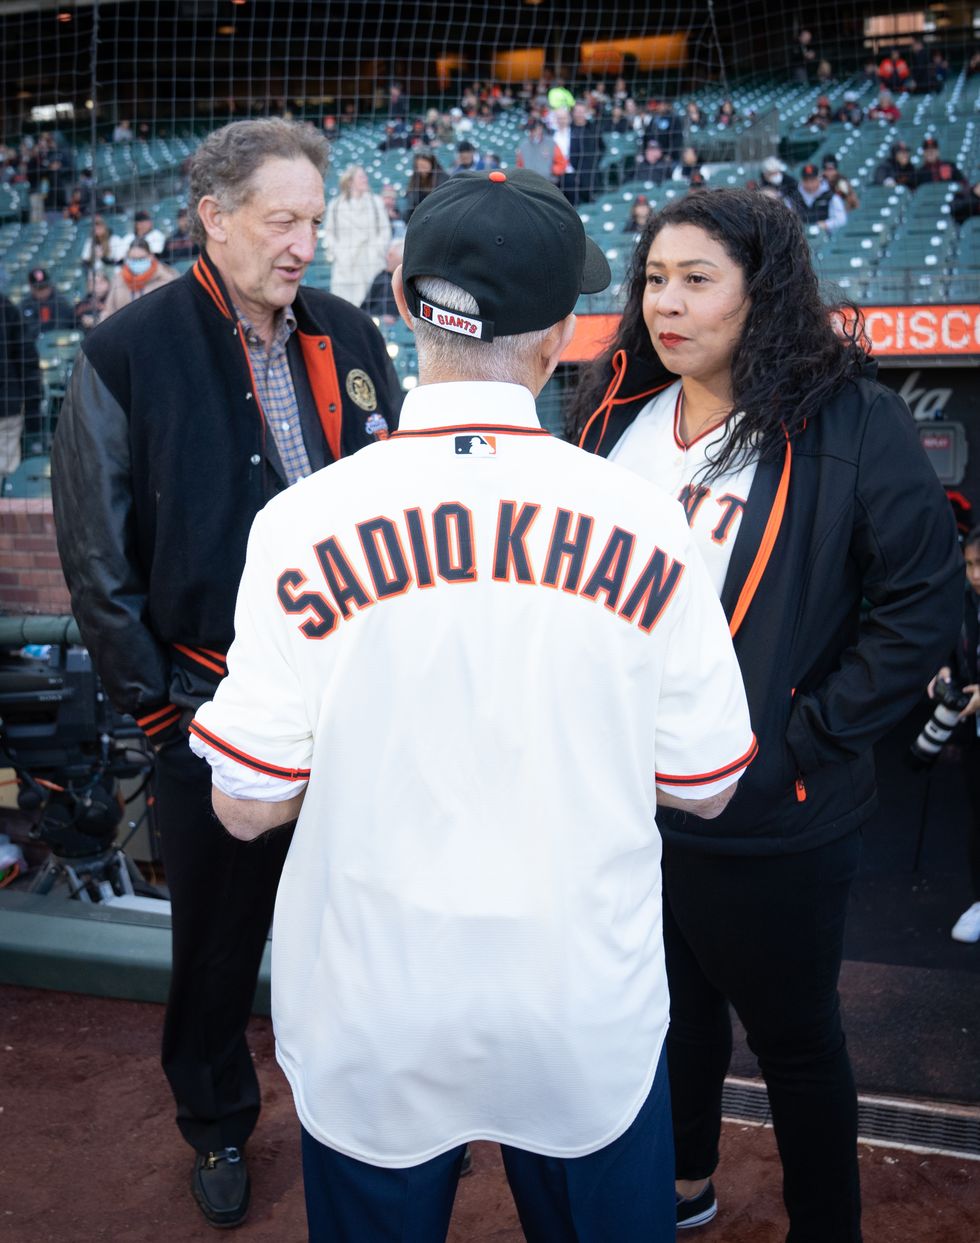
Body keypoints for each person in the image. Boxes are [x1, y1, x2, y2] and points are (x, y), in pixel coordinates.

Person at [187, 166, 755, 1243]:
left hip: (375, 1007)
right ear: (560, 336)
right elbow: (708, 782)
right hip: (577, 1000)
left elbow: (248, 805)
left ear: (401, 300)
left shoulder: (301, 522)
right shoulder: (645, 520)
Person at [568, 187, 962, 1242]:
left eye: (697, 279)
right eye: (654, 278)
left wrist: (802, 740)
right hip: (624, 802)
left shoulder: (848, 418)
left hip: (771, 807)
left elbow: (922, 601)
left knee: (794, 1040)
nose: (666, 302)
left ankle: (823, 1223)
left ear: (764, 289)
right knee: (667, 1015)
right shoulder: (610, 416)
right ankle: (683, 1181)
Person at [50, 117, 401, 1231]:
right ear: (213, 216)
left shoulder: (348, 331)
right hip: (206, 712)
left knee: (364, 927)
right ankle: (214, 1124)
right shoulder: (125, 348)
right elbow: (96, 557)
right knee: (213, 950)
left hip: (355, 708)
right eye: (280, 219)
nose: (303, 242)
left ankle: (376, 1118)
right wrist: (156, 709)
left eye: (311, 219)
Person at [928, 526, 980, 944]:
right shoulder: (962, 603)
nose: (975, 574)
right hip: (973, 734)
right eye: (970, 565)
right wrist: (943, 674)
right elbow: (947, 647)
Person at [323, 164, 391, 307]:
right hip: (346, 264)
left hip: (370, 261)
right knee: (344, 305)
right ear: (350, 181)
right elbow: (329, 234)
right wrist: (337, 253)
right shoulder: (335, 206)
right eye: (361, 177)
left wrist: (378, 251)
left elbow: (385, 231)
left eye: (365, 176)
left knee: (370, 305)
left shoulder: (375, 202)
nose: (365, 179)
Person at [0, 292, 41, 475]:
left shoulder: (5, 307)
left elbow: (26, 358)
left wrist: (32, 408)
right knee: (5, 476)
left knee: (6, 476)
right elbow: (27, 359)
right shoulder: (5, 304)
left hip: (6, 405)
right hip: (7, 402)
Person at [98, 240, 179, 323]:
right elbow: (109, 311)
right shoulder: (118, 280)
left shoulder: (166, 279)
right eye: (133, 259)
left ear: (150, 256)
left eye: (141, 258)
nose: (137, 262)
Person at [19, 268, 76, 341]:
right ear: (31, 287)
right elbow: (25, 330)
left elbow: (63, 326)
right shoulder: (24, 305)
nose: (43, 292)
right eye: (39, 289)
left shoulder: (61, 301)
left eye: (45, 287)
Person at [360, 236, 403, 321]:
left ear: (401, 258)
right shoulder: (382, 278)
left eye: (391, 255)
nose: (387, 258)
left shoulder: (408, 282)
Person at [402, 147, 449, 222]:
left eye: (425, 165)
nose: (422, 169)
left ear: (431, 163)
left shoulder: (443, 178)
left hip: (438, 219)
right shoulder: (414, 180)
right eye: (420, 166)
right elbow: (410, 205)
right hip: (418, 220)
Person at [515, 116, 566, 183]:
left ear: (541, 128)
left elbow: (561, 163)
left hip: (548, 182)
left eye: (537, 128)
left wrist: (550, 171)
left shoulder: (551, 143)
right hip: (529, 183)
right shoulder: (523, 145)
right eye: (533, 129)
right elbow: (519, 165)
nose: (535, 131)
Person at [797, 162, 847, 231]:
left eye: (812, 180)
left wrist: (826, 224)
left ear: (819, 178)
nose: (809, 184)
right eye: (806, 180)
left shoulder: (831, 196)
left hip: (825, 236)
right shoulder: (794, 196)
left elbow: (841, 219)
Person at [73, 268, 111, 333]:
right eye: (93, 283)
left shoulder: (114, 299)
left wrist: (96, 321)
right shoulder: (82, 304)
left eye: (101, 282)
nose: (97, 286)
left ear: (108, 283)